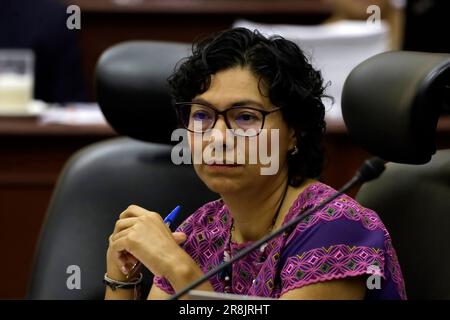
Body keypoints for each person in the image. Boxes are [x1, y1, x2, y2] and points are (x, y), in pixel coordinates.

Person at [104, 28, 406, 300]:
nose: (218, 137)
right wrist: (122, 279)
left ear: (294, 132)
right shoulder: (200, 230)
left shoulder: (336, 226)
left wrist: (176, 267)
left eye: (245, 117)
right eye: (202, 116)